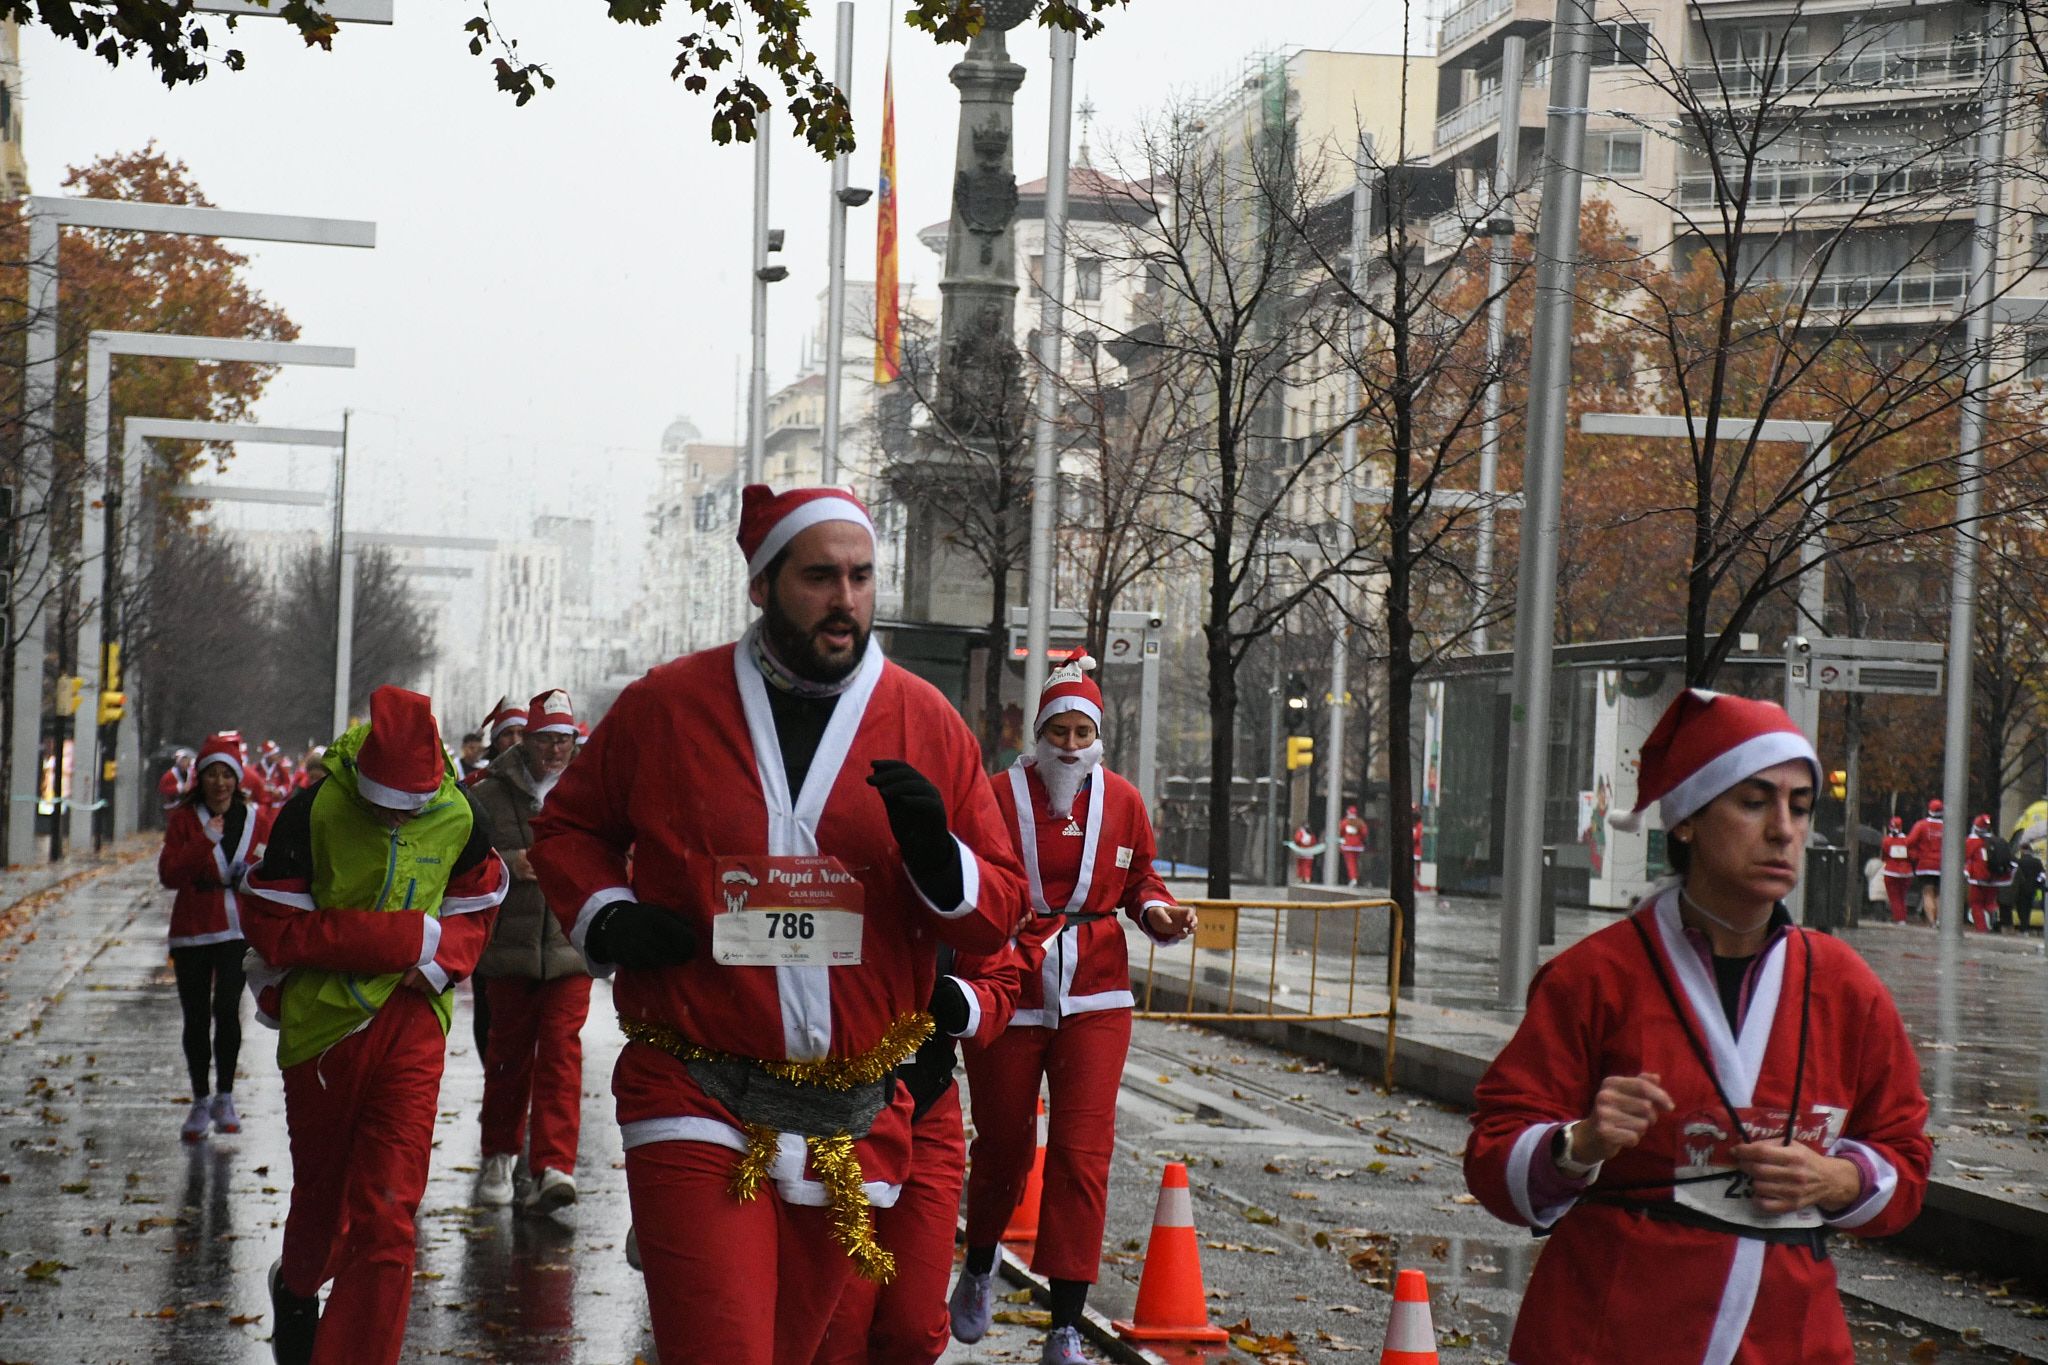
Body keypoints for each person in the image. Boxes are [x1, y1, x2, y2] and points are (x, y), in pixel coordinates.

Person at [528, 484, 1028, 1365]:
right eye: (821, 576)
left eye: (862, 577)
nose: (846, 599)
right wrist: (609, 919)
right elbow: (569, 827)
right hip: (695, 1083)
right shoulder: (669, 705)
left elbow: (1000, 910)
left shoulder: (927, 723)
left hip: (852, 1108)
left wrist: (939, 856)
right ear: (762, 585)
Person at [1465, 689, 1930, 1364]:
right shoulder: (1596, 977)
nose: (1784, 829)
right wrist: (1580, 1142)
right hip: (1612, 1333)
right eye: (1753, 801)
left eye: (1799, 807)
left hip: (1791, 1337)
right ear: (1686, 819)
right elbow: (1492, 1152)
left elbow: (1907, 1157)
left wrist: (1838, 1180)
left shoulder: (1844, 985)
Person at [240, 685, 510, 1365]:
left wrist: (443, 959)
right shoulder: (312, 808)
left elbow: (479, 900)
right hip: (322, 1034)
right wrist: (403, 940)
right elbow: (274, 925)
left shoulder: (459, 812)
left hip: (413, 1024)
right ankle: (298, 1288)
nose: (395, 818)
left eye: (409, 808)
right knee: (322, 1199)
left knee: (390, 1213)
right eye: (381, 804)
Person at [951, 658, 1196, 1365]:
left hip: (1096, 992)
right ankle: (980, 1260)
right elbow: (965, 875)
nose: (1067, 743)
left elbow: (1141, 877)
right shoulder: (996, 795)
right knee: (1001, 1144)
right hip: (1008, 984)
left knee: (1083, 1153)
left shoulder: (1123, 800)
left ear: (1098, 737)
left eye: (1080, 730)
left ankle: (1064, 1323)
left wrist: (1158, 912)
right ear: (1038, 734)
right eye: (1056, 729)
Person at [815, 946, 1025, 1365]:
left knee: (915, 1330)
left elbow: (998, 979)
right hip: (829, 1113)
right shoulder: (818, 882)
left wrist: (962, 999)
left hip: (926, 1112)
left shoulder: (942, 888)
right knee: (838, 1329)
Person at [473, 687, 591, 1215]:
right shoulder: (488, 794)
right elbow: (461, 859)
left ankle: (553, 1165)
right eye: (545, 740)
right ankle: (498, 1154)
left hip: (571, 945)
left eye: (563, 740)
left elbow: (615, 851)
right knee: (508, 1056)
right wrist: (506, 861)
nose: (554, 750)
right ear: (527, 741)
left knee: (562, 1052)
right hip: (510, 949)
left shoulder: (591, 789)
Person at [158, 733, 274, 1141]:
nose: (220, 783)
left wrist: (254, 876)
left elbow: (271, 865)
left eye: (228, 775)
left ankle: (225, 1095)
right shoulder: (185, 820)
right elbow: (169, 875)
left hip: (236, 931)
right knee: (195, 1016)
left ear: (237, 779)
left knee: (227, 1009)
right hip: (192, 929)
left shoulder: (256, 818)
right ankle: (199, 1100)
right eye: (212, 775)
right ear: (200, 779)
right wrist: (203, 842)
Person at [1905, 798, 1945, 925]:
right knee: (1939, 893)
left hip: (1926, 865)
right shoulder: (1948, 827)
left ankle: (1932, 921)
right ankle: (1939, 920)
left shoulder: (1921, 825)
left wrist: (1913, 854)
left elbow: (1909, 842)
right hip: (1943, 865)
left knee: (1927, 892)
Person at [1963, 814, 2000, 934]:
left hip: (1977, 878)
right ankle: (1995, 918)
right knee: (1990, 902)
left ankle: (1982, 928)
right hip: (1994, 878)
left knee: (1976, 904)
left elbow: (1964, 856)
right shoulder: (1995, 840)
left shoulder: (1972, 841)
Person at [1879, 816, 1914, 925]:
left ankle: (1899, 918)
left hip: (1891, 871)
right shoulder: (1907, 840)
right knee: (1902, 896)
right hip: (1906, 872)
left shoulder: (1887, 841)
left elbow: (1884, 855)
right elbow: (1912, 855)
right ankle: (1902, 917)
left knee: (1894, 897)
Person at [2009, 842, 2043, 932]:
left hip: (2020, 888)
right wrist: (2037, 884)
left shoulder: (2019, 862)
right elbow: (2042, 875)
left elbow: (2014, 875)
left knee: (2021, 907)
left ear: (2022, 850)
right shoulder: (2037, 862)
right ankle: (2025, 925)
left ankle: (2023, 926)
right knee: (2028, 907)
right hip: (2032, 888)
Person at [158, 746, 197, 815]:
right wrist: (179, 788)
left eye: (185, 760)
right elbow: (163, 789)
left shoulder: (193, 772)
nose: (183, 763)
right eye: (181, 760)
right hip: (173, 807)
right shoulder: (169, 775)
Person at [1338, 804, 1367, 886]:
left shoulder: (1345, 822)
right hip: (1358, 846)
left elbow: (1341, 831)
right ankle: (1356, 877)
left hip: (1348, 846)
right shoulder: (1361, 822)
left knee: (1350, 863)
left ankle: (1353, 878)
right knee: (1356, 862)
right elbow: (1364, 833)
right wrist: (1360, 839)